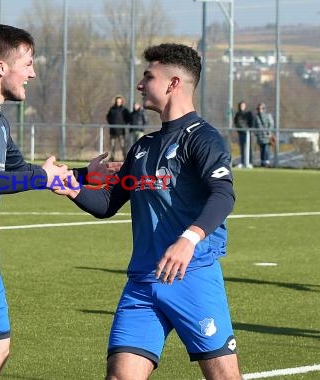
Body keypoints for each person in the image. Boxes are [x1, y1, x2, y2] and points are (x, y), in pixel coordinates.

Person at [0, 24, 119, 380]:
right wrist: (40, 178)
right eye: (27, 64)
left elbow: (22, 169)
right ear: (1, 67)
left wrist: (84, 174)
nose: (32, 73)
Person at [55, 43, 241, 379]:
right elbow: (108, 203)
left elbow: (223, 195)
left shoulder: (203, 139)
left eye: (148, 77)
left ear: (173, 84)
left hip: (192, 276)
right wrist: (73, 189)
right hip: (142, 282)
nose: (140, 85)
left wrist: (188, 239)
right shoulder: (142, 146)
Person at [106, 96, 131, 161]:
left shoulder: (124, 109)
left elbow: (129, 118)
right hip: (113, 131)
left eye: (119, 101)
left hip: (121, 132)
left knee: (123, 146)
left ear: (122, 102)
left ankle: (125, 159)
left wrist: (124, 124)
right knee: (112, 146)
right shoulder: (112, 109)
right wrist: (111, 123)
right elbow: (108, 117)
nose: (118, 102)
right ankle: (112, 158)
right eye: (117, 101)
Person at [253, 102, 274, 167]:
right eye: (258, 109)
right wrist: (256, 133)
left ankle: (267, 162)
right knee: (261, 149)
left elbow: (271, 124)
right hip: (260, 136)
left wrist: (268, 132)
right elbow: (254, 126)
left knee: (266, 149)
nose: (260, 110)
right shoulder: (256, 117)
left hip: (267, 136)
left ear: (264, 109)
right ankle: (262, 162)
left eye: (261, 108)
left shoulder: (268, 116)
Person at [233, 100, 253, 168]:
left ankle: (249, 162)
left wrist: (248, 130)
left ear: (245, 106)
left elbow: (251, 122)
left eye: (243, 105)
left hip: (248, 133)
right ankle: (242, 162)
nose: (242, 107)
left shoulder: (248, 113)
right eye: (241, 105)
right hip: (241, 133)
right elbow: (236, 122)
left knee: (249, 148)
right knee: (242, 148)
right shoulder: (237, 114)